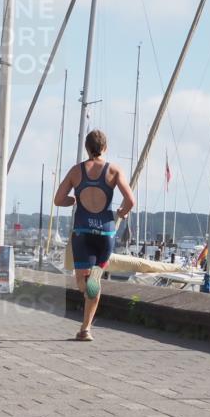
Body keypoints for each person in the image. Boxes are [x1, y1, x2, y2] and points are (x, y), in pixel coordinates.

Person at [53, 129, 135, 342]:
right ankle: (86, 328)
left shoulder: (75, 171)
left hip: (83, 232)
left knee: (82, 280)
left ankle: (86, 285)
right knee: (96, 279)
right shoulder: (114, 170)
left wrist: (73, 200)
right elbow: (131, 201)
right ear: (105, 148)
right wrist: (121, 213)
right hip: (106, 233)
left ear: (87, 148)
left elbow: (58, 200)